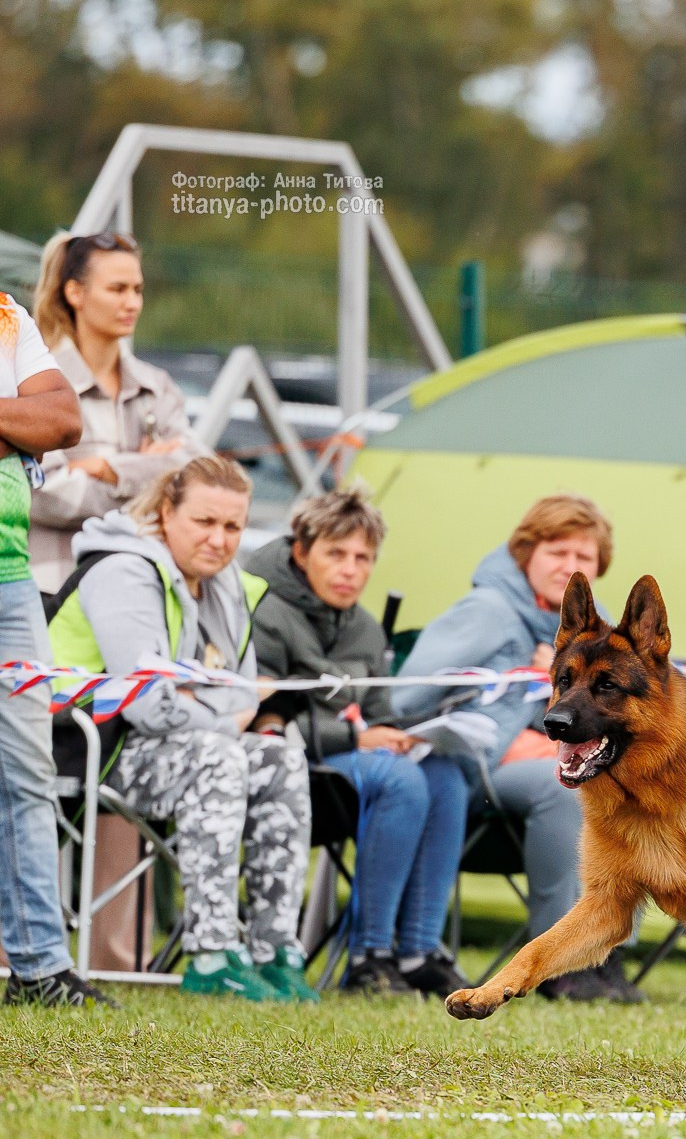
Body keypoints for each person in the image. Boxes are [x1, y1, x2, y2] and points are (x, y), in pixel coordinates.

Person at [46, 457, 314, 1001]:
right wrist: (222, 711)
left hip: (171, 747)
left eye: (233, 527)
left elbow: (244, 690)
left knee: (282, 757)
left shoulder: (230, 586)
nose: (219, 540)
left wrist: (213, 705)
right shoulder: (122, 570)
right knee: (222, 754)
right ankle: (211, 955)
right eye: (204, 522)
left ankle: (274, 951)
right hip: (80, 746)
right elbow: (147, 704)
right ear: (166, 512)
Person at [392, 494, 638, 1004]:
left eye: (583, 557)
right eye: (557, 551)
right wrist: (506, 731)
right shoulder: (489, 610)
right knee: (564, 791)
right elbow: (405, 695)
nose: (570, 566)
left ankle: (605, 953)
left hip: (542, 759)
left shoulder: (594, 625)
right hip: (467, 767)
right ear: (527, 551)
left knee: (618, 784)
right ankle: (558, 962)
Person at [247, 490, 468, 997]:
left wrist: (408, 735)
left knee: (446, 776)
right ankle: (370, 956)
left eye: (363, 558)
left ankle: (418, 951)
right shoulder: (264, 608)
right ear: (302, 552)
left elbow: (380, 714)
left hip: (352, 761)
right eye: (336, 554)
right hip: (291, 769)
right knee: (400, 777)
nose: (351, 570)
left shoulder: (365, 628)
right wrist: (356, 736)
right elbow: (258, 716)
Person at [0, 284, 110, 1006]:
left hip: (11, 574)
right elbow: (32, 419)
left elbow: (63, 418)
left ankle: (39, 966)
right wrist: (17, 422)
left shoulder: (3, 315)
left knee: (29, 769)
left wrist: (26, 423)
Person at [29, 231, 200, 592]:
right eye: (117, 289)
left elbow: (196, 471)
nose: (132, 303)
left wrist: (107, 469)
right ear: (75, 293)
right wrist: (152, 480)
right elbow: (45, 496)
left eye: (137, 290)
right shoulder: (37, 384)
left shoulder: (157, 385)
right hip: (55, 587)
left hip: (143, 584)